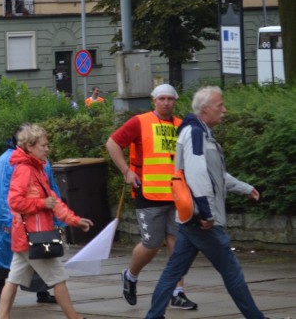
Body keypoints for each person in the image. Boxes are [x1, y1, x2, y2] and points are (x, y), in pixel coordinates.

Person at [144, 87, 268, 319]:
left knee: (173, 271)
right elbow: (197, 174)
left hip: (191, 218)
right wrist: (206, 214)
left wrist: (245, 188)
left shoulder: (201, 133)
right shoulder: (196, 134)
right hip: (202, 221)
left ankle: (153, 316)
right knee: (232, 272)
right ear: (205, 109)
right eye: (220, 105)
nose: (224, 110)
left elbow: (216, 174)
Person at [106, 83, 197, 310]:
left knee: (177, 243)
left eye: (170, 99)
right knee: (151, 244)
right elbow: (113, 143)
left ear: (175, 101)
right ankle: (130, 275)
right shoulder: (140, 121)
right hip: (148, 193)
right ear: (153, 101)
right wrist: (126, 171)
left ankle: (177, 291)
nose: (166, 103)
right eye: (162, 99)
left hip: (177, 194)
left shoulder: (181, 125)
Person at [0, 124, 93, 319]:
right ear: (30, 147)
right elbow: (15, 202)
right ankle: (74, 317)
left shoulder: (35, 168)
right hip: (35, 236)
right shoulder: (26, 170)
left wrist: (74, 220)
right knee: (58, 278)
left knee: (13, 279)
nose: (47, 149)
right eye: (43, 145)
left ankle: (3, 317)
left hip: (27, 235)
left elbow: (54, 202)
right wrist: (41, 203)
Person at [0, 135, 59, 304]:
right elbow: (2, 193)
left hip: (36, 215)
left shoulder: (40, 159)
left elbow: (50, 186)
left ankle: (41, 291)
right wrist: (8, 219)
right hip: (16, 217)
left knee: (39, 251)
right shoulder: (7, 161)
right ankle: (2, 288)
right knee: (11, 256)